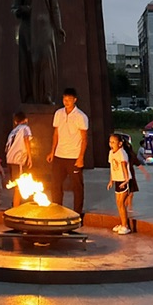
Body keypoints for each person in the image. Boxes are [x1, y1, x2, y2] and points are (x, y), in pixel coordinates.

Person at [11, 0, 65, 104]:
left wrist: (58, 27)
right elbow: (14, 8)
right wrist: (22, 10)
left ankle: (47, 94)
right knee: (29, 61)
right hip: (28, 30)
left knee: (46, 61)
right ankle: (30, 95)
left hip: (46, 30)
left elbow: (55, 9)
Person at [46, 87, 88, 215]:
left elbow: (84, 139)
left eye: (69, 99)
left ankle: (77, 213)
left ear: (75, 100)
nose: (66, 102)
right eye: (65, 99)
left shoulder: (81, 116)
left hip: (74, 156)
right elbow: (56, 134)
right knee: (55, 184)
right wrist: (52, 151)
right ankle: (57, 210)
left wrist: (81, 157)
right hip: (59, 155)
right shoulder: (58, 113)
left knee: (77, 186)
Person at [5, 111, 33, 207]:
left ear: (15, 122)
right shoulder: (25, 128)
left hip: (10, 159)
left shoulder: (13, 131)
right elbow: (26, 140)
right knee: (19, 183)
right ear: (26, 120)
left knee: (16, 182)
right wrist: (29, 157)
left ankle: (16, 203)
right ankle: (16, 206)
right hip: (18, 158)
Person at [107, 134, 132, 235]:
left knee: (121, 203)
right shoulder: (111, 153)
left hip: (123, 180)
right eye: (110, 142)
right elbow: (112, 168)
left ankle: (125, 226)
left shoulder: (122, 153)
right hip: (117, 180)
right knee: (118, 203)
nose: (111, 144)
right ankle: (122, 223)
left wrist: (126, 181)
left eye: (113, 142)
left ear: (120, 143)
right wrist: (111, 180)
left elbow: (124, 166)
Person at [122, 137, 151, 214]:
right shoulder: (121, 153)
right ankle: (125, 207)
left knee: (131, 192)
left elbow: (138, 164)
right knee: (126, 193)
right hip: (123, 175)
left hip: (130, 174)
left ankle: (129, 206)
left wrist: (145, 172)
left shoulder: (131, 154)